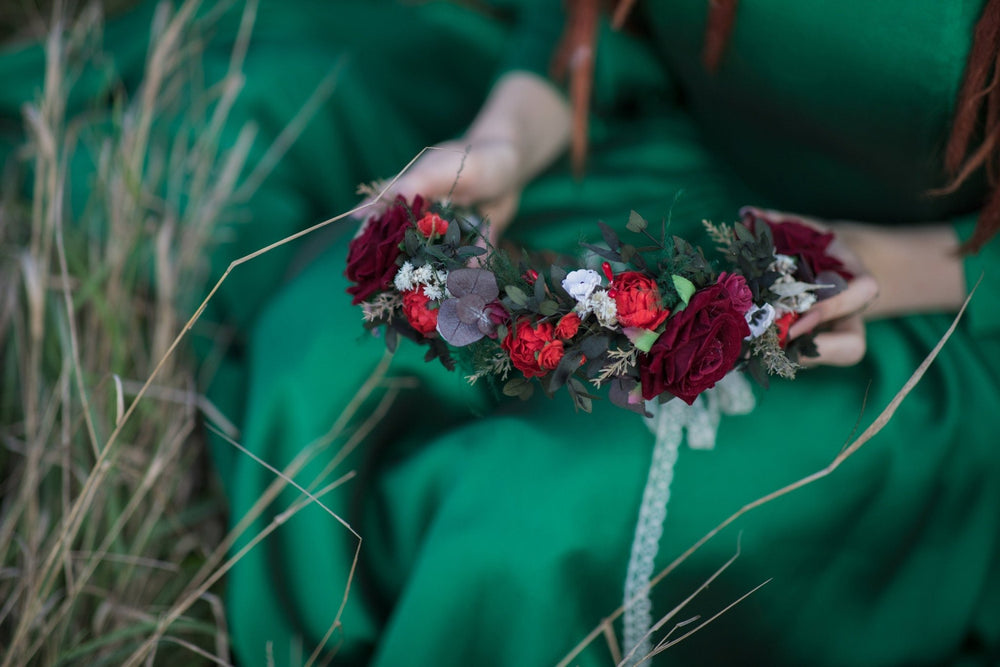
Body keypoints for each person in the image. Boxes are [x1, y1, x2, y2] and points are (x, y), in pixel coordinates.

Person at [4, 1, 997, 665]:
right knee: (329, 351)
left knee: (529, 530)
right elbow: (603, 20)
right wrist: (506, 140)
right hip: (672, 160)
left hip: (928, 288)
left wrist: (862, 263)